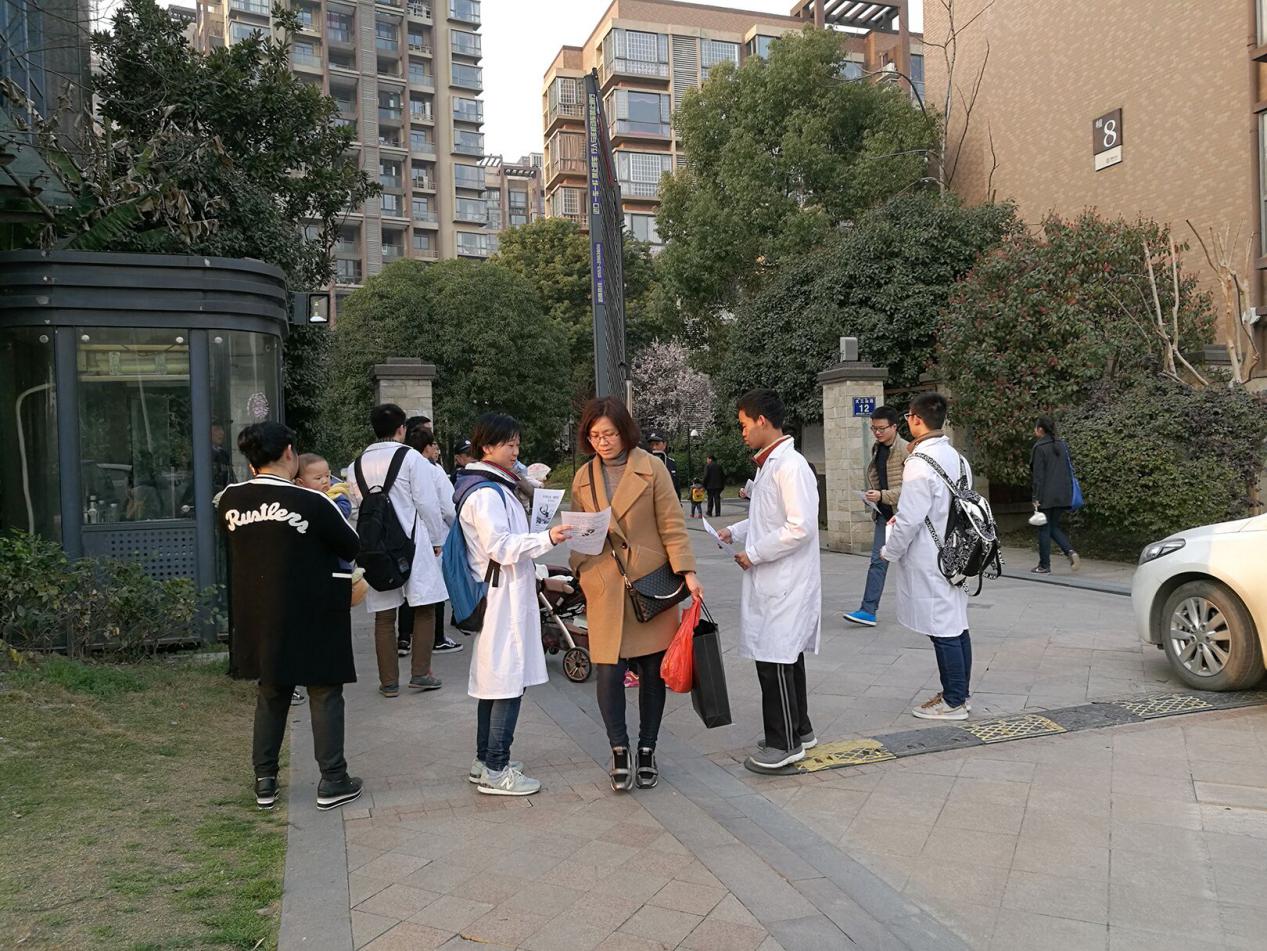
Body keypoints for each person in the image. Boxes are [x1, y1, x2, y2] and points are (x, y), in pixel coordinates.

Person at [216, 422, 363, 812]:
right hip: (315, 608)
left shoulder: (230, 499)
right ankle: (333, 779)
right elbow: (351, 544)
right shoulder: (312, 501)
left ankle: (265, 781)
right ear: (289, 453)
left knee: (271, 691)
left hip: (257, 611)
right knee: (324, 691)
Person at [570, 398, 701, 791]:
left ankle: (647, 747)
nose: (603, 442)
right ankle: (618, 749)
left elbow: (672, 524)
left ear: (624, 431)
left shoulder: (651, 467)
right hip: (605, 584)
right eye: (595, 435)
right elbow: (578, 532)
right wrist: (581, 569)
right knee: (608, 671)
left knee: (652, 671)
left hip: (651, 585)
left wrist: (688, 572)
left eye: (609, 433)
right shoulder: (583, 477)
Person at [457, 413, 573, 795]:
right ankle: (497, 768)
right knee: (507, 682)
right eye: (509, 444)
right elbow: (500, 546)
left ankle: (485, 760)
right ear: (487, 446)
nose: (515, 452)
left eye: (517, 444)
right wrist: (548, 538)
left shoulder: (494, 486)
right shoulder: (486, 493)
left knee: (496, 681)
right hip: (501, 597)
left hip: (506, 593)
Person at [717, 389, 820, 773]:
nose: (742, 431)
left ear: (762, 421)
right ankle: (800, 730)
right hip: (775, 580)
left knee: (775, 660)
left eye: (744, 424)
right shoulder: (770, 465)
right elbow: (767, 518)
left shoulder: (790, 466)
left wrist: (756, 553)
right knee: (785, 657)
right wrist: (735, 532)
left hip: (786, 582)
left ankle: (784, 743)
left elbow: (800, 527)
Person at [881, 392, 973, 721]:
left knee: (942, 627)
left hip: (931, 556)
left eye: (908, 416)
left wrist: (890, 550)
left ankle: (954, 701)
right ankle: (959, 694)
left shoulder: (919, 462)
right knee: (956, 623)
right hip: (957, 552)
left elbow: (910, 518)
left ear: (916, 419)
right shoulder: (958, 458)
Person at [350, 404, 446, 698]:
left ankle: (389, 682)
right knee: (425, 607)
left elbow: (357, 509)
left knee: (384, 615)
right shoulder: (411, 458)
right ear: (402, 428)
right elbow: (427, 503)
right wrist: (436, 538)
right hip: (413, 542)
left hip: (376, 547)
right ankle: (420, 673)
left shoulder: (356, 465)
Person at [397, 423, 463, 656]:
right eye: (434, 445)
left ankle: (404, 637)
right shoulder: (432, 470)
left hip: (403, 535)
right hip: (431, 536)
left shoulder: (399, 466)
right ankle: (437, 638)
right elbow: (447, 507)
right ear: (426, 447)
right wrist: (448, 534)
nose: (436, 449)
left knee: (408, 587)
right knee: (434, 589)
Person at [844, 406, 909, 627]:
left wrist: (882, 495)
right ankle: (868, 610)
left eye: (882, 428)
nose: (877, 432)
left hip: (906, 517)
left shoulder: (906, 450)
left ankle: (928, 608)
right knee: (878, 562)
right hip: (884, 516)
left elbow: (912, 489)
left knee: (915, 564)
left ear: (894, 427)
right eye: (874, 428)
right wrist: (873, 497)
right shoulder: (877, 448)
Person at [1031, 416, 1080, 574]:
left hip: (1046, 495)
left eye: (1035, 427)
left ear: (1040, 429)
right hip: (1063, 493)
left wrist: (1036, 497)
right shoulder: (1062, 445)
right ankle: (1070, 551)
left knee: (1044, 529)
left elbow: (1038, 476)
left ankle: (1044, 565)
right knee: (1052, 526)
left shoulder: (1039, 448)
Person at [647, 433, 681, 500]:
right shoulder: (645, 463)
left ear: (664, 445)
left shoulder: (671, 463)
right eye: (651, 445)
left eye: (657, 444)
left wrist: (678, 502)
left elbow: (676, 486)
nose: (654, 448)